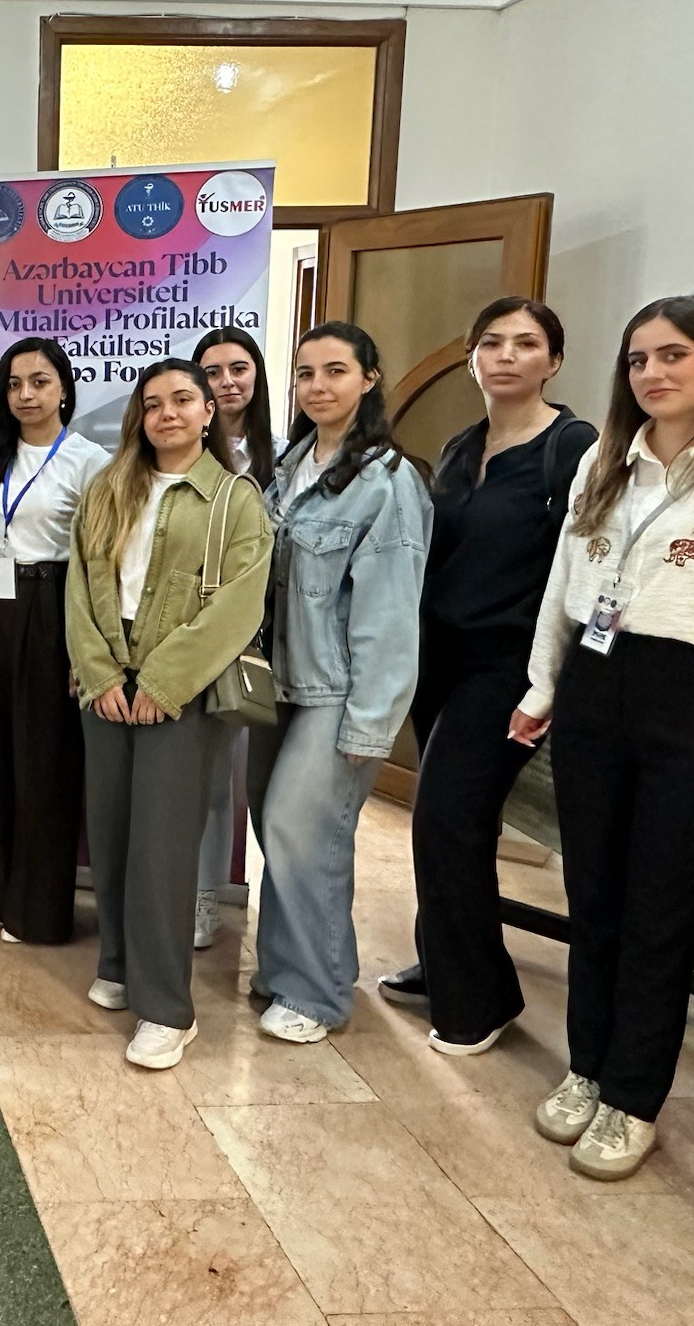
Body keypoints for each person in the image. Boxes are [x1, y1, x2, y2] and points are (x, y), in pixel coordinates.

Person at [513, 293, 694, 1181]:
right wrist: (542, 686)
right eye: (639, 359)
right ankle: (587, 1067)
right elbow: (564, 581)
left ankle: (633, 1098)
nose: (652, 373)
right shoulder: (607, 459)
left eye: (674, 355)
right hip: (596, 688)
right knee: (593, 896)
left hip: (692, 700)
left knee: (660, 913)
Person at [374, 299, 596, 1054]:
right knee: (451, 822)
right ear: (472, 358)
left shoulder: (573, 447)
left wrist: (553, 682)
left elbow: (584, 568)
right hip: (440, 658)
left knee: (447, 816)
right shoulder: (461, 445)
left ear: (553, 361)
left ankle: (481, 998)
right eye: (491, 343)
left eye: (526, 344)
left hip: (509, 667)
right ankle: (444, 960)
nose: (506, 355)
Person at [68, 360, 272, 1070]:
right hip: (107, 678)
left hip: (181, 689)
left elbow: (239, 605)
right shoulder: (108, 487)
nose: (168, 414)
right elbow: (80, 585)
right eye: (153, 403)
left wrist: (164, 681)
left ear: (209, 411)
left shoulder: (234, 499)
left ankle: (166, 1011)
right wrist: (99, 672)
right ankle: (120, 964)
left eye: (183, 399)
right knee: (112, 830)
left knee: (161, 845)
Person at [253, 321, 431, 1044]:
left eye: (335, 370)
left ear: (369, 379)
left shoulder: (388, 482)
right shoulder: (290, 466)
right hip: (276, 682)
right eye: (305, 373)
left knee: (303, 831)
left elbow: (390, 616)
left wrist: (370, 724)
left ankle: (317, 993)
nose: (318, 385)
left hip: (336, 691)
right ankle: (284, 969)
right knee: (279, 832)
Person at [0, 336, 110, 946]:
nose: (26, 395)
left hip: (51, 607)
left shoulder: (89, 461)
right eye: (15, 384)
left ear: (64, 389)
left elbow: (99, 559)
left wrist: (87, 647)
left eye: (40, 382)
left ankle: (36, 909)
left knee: (44, 761)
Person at [191, 326, 284, 950]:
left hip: (268, 641)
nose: (227, 382)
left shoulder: (289, 455)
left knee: (263, 788)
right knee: (208, 780)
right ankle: (201, 897)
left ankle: (277, 923)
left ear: (257, 375)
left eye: (238, 368)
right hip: (200, 636)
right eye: (213, 371)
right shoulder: (183, 451)